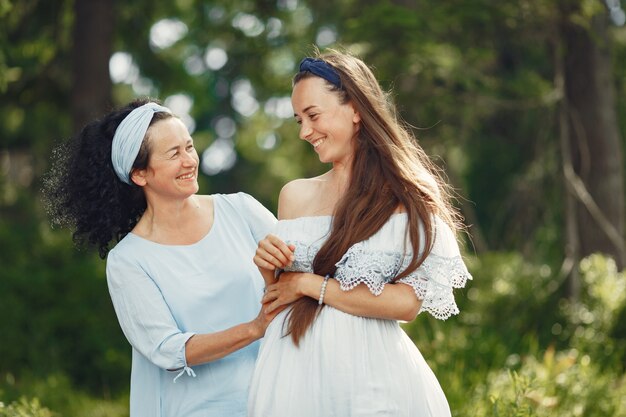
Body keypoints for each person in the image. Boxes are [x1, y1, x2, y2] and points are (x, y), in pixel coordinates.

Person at [247, 51, 472, 417]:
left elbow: (406, 304)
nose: (305, 132)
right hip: (291, 378)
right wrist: (268, 267)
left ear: (355, 109)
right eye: (298, 120)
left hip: (371, 381)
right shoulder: (294, 195)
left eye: (314, 115)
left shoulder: (403, 198)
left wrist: (310, 284)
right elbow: (278, 297)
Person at [43, 98, 281, 417]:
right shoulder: (128, 261)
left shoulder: (240, 209)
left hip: (275, 399)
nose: (189, 161)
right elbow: (167, 350)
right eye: (174, 154)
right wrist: (255, 328)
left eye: (189, 147)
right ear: (140, 174)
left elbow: (300, 267)